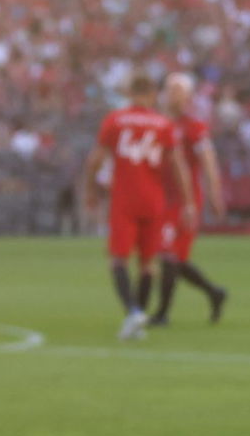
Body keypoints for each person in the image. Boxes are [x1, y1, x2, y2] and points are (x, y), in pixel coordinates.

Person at [82, 71, 194, 341]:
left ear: (130, 93)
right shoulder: (163, 124)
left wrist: (90, 189)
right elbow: (178, 165)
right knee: (148, 264)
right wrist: (188, 201)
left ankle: (133, 311)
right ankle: (139, 317)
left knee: (117, 258)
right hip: (154, 200)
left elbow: (95, 159)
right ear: (154, 95)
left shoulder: (116, 120)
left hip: (125, 198)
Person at [148, 72, 229, 327]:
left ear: (188, 96)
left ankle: (162, 313)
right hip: (160, 198)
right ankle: (214, 292)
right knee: (174, 258)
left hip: (184, 201)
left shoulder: (194, 127)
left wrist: (215, 194)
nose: (173, 94)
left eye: (178, 90)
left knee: (168, 255)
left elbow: (208, 163)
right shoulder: (158, 123)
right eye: (170, 89)